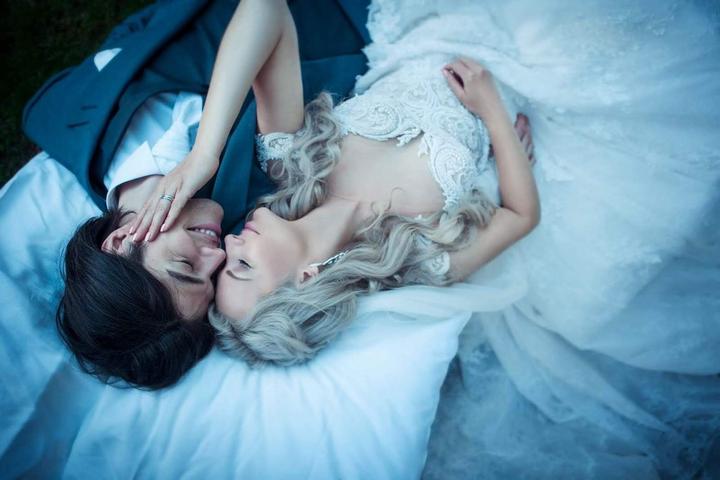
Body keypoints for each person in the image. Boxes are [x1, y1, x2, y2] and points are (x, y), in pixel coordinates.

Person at [132, 0, 540, 365]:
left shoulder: (290, 163)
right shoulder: (415, 258)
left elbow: (266, 9)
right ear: (306, 279)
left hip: (426, 24)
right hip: (517, 76)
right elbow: (521, 217)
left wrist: (204, 153)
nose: (230, 242)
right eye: (243, 265)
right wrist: (494, 116)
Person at [50, 0, 371, 389]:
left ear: (120, 242)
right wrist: (207, 152)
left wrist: (202, 155)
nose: (217, 255)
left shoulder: (55, 117)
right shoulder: (259, 211)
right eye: (211, 277)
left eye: (186, 265)